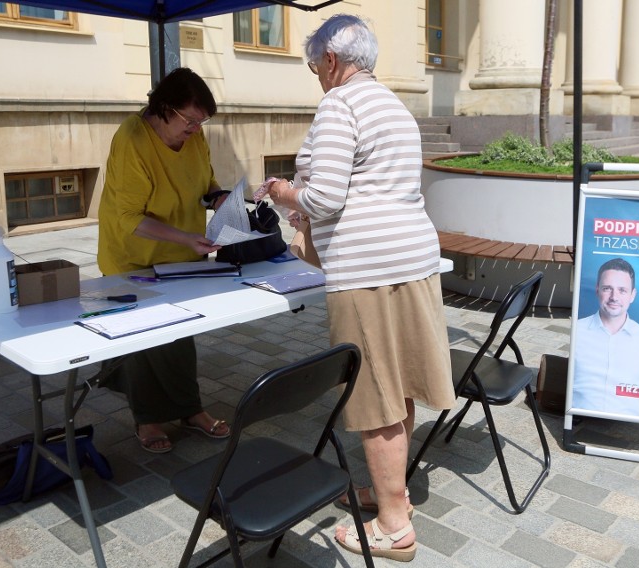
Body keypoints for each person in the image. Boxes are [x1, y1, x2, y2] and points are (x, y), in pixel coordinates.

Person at [263, 14, 455, 562]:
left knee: (374, 396)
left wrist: (280, 189)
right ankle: (392, 495)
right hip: (414, 259)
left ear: (329, 60)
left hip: (368, 270)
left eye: (312, 67)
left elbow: (323, 198)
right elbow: (366, 187)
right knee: (402, 387)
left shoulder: (339, 105)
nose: (315, 78)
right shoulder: (394, 105)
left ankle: (393, 526)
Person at [97, 67, 231, 454]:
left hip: (182, 253)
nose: (195, 129)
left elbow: (205, 180)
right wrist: (186, 238)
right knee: (144, 338)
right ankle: (148, 418)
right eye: (189, 120)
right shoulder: (132, 139)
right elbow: (129, 217)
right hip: (133, 255)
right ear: (164, 108)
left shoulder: (195, 133)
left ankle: (190, 410)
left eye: (201, 122)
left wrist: (218, 196)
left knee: (179, 334)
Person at [572, 258, 639, 420]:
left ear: (632, 295)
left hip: (626, 433)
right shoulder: (576, 331)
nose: (614, 297)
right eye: (607, 288)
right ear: (597, 290)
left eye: (622, 290)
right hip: (577, 425)